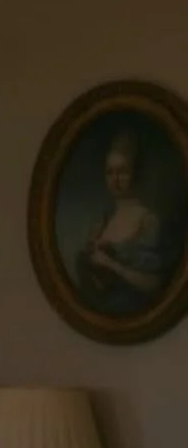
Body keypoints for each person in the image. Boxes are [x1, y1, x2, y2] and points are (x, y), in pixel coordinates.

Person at [75, 129, 179, 316]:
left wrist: (111, 265)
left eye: (122, 172)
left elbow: (156, 285)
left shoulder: (149, 221)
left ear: (136, 173)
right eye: (109, 172)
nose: (115, 180)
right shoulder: (103, 221)